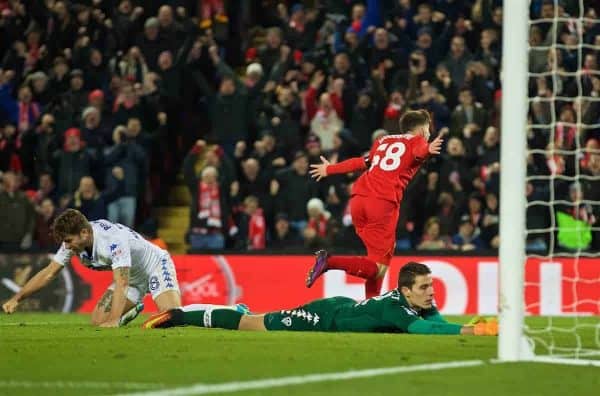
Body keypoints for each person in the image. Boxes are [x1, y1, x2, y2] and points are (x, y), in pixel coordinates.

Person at [142, 262, 497, 336]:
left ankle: (239, 310)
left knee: (256, 317)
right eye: (425, 288)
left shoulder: (416, 302)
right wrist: (472, 333)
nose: (432, 292)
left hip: (341, 308)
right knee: (253, 326)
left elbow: (434, 322)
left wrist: (468, 326)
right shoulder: (396, 306)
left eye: (431, 286)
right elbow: (423, 331)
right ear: (406, 290)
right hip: (323, 318)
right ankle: (179, 315)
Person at [306, 110, 445, 298]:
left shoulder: (383, 141)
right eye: (427, 129)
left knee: (375, 262)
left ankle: (371, 305)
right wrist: (428, 150)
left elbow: (362, 162)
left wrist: (330, 169)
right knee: (378, 268)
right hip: (382, 203)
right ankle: (329, 262)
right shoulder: (418, 141)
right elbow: (420, 151)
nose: (428, 133)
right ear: (420, 129)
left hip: (358, 199)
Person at [2, 209, 181, 328]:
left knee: (172, 317)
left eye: (69, 241)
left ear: (84, 233)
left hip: (154, 266)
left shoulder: (112, 240)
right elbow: (48, 273)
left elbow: (122, 281)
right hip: (132, 279)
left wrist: (113, 321)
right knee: (97, 322)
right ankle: (130, 312)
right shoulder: (74, 243)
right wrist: (17, 299)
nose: (67, 246)